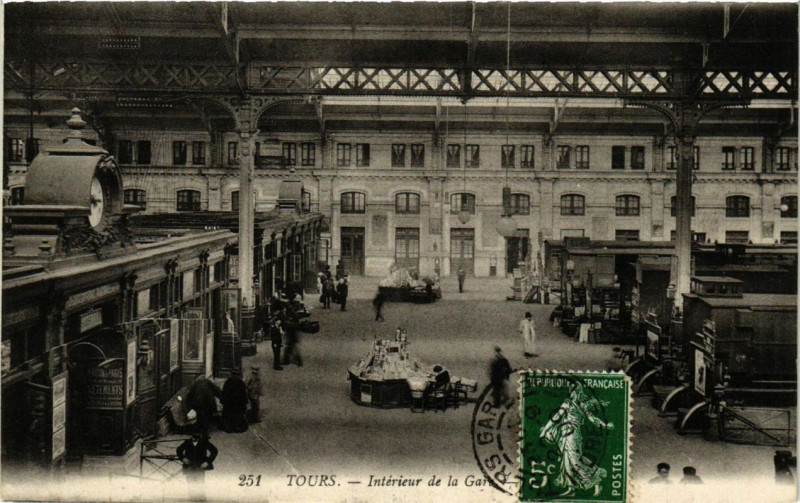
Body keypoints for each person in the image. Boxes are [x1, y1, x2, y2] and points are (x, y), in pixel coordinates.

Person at [540, 383, 614, 497]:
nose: (572, 393)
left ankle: (596, 482)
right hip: (564, 434)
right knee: (566, 462)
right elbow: (556, 417)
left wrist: (604, 425)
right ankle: (571, 488)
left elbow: (592, 418)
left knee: (575, 462)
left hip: (574, 435)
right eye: (571, 390)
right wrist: (545, 430)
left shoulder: (581, 405)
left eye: (574, 390)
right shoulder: (567, 403)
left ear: (578, 392)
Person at [177, 433, 218, 500]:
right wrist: (183, 458)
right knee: (190, 483)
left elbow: (214, 451)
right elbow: (179, 450)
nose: (194, 438)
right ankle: (192, 499)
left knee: (200, 483)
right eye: (193, 436)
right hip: (189, 466)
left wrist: (207, 462)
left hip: (200, 466)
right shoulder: (187, 442)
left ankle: (201, 499)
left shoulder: (204, 442)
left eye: (196, 436)